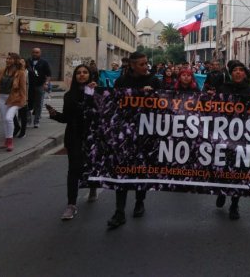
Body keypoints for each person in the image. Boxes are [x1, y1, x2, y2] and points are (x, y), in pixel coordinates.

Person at [107, 51, 161, 229]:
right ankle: (119, 211)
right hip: (126, 133)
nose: (146, 67)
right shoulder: (122, 82)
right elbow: (113, 102)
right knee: (122, 171)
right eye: (142, 64)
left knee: (141, 169)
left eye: (146, 63)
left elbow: (166, 104)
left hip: (147, 133)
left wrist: (152, 95)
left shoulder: (153, 81)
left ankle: (140, 201)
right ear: (132, 65)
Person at [47, 65, 98, 220]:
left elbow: (98, 112)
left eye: (85, 72)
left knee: (89, 165)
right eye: (79, 73)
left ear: (90, 75)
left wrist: (92, 93)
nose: (82, 75)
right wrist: (55, 115)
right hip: (74, 135)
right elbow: (67, 118)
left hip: (91, 135)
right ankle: (71, 204)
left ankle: (92, 186)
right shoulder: (69, 95)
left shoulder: (97, 92)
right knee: (74, 169)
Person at [215, 60, 250, 220]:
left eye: (241, 70)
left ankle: (234, 204)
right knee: (224, 168)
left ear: (244, 73)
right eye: (235, 70)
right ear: (231, 73)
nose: (238, 73)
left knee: (239, 170)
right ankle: (222, 192)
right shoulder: (223, 88)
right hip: (224, 135)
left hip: (242, 136)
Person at [0, 53, 27, 151]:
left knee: (8, 118)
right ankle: (7, 141)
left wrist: (24, 101)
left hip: (14, 99)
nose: (7, 60)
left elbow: (23, 89)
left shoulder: (21, 72)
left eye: (10, 58)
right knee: (4, 120)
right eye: (7, 58)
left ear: (15, 60)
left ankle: (10, 141)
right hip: (2, 98)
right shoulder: (2, 71)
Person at [26, 48, 51, 129]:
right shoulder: (28, 62)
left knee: (39, 104)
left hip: (40, 86)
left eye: (37, 52)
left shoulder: (44, 62)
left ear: (40, 53)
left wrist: (46, 83)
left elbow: (48, 74)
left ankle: (36, 121)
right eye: (33, 52)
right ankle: (28, 119)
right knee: (27, 103)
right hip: (28, 86)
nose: (35, 54)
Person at [12, 58, 30, 138]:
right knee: (11, 113)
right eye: (20, 61)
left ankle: (23, 131)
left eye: (23, 61)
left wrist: (27, 97)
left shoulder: (28, 72)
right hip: (14, 95)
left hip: (24, 95)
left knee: (23, 114)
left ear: (26, 63)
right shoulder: (15, 72)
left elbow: (29, 86)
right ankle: (16, 126)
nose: (21, 62)